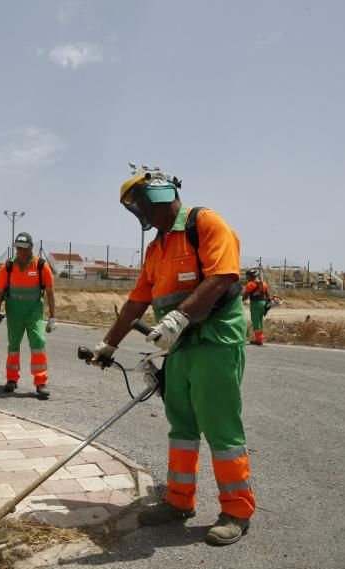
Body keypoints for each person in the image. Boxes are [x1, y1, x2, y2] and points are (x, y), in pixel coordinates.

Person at [88, 164, 256, 546]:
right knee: (181, 427)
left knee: (221, 429)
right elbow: (138, 300)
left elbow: (222, 277)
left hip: (215, 342)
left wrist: (179, 317)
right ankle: (179, 501)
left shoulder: (205, 224)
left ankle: (238, 510)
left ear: (158, 195)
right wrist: (108, 344)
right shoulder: (157, 247)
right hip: (180, 349)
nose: (139, 214)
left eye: (140, 204)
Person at [0, 233, 57, 399]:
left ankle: (41, 382)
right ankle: (12, 380)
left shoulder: (41, 266)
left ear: (31, 248)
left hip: (34, 312)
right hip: (14, 311)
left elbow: (50, 292)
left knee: (38, 342)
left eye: (23, 248)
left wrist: (52, 317)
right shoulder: (8, 267)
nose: (19, 251)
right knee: (13, 345)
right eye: (17, 248)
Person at [242, 268, 272, 345]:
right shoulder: (263, 283)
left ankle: (259, 340)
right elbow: (268, 296)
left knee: (256, 322)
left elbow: (245, 297)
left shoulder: (250, 284)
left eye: (247, 277)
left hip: (255, 304)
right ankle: (260, 338)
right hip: (263, 303)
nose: (247, 278)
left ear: (250, 277)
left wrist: (238, 302)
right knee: (260, 321)